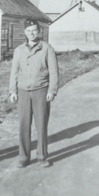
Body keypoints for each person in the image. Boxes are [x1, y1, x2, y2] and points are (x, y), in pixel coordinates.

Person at [9, 19, 59, 168]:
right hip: (23, 91)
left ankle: (42, 156)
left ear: (39, 31)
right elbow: (14, 72)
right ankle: (23, 157)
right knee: (24, 125)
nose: (31, 33)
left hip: (41, 91)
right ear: (25, 32)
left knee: (41, 125)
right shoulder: (18, 50)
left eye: (34, 30)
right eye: (29, 31)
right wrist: (12, 91)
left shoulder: (47, 48)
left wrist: (52, 90)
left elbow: (54, 72)